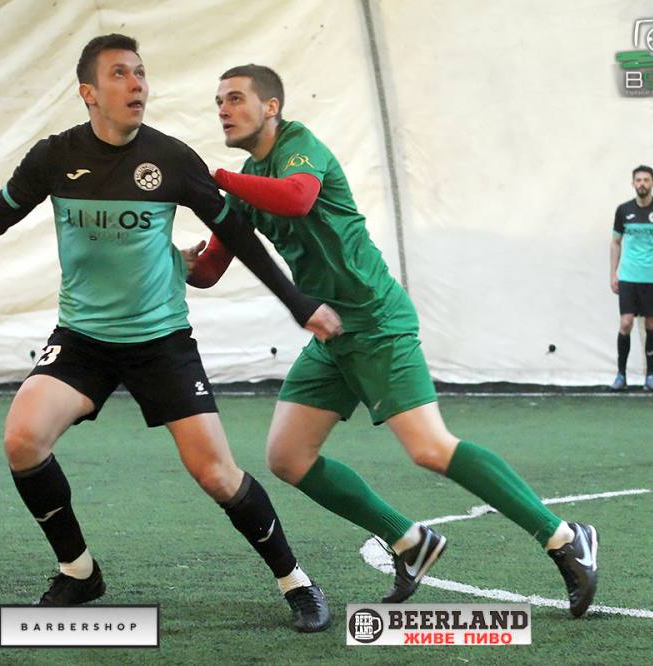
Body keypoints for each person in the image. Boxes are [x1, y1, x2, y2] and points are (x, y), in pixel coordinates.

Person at [0, 36, 341, 632]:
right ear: (89, 93)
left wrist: (298, 305)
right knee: (22, 440)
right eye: (120, 73)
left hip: (161, 340)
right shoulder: (54, 156)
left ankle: (296, 582)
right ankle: (79, 573)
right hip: (83, 340)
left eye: (141, 72)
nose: (137, 83)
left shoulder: (172, 160)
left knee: (217, 474)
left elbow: (239, 236)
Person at [183, 64, 599, 617]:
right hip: (332, 332)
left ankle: (565, 536)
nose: (224, 109)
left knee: (430, 447)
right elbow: (210, 269)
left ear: (272, 107)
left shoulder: (299, 146)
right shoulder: (244, 182)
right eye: (219, 101)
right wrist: (171, 258)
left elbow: (297, 198)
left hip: (377, 322)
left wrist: (213, 177)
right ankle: (410, 541)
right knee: (288, 457)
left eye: (236, 98)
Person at [610, 165, 653, 391]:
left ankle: (650, 376)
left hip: (652, 278)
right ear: (633, 184)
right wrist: (613, 273)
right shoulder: (623, 210)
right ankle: (621, 375)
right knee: (626, 323)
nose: (642, 183)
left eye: (646, 180)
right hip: (628, 277)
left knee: (651, 323)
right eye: (638, 180)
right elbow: (615, 242)